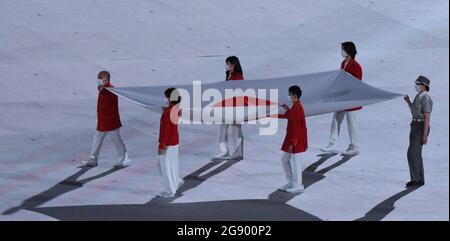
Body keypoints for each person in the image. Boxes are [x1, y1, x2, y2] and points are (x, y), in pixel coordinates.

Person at [81, 71, 132, 168]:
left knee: (117, 141)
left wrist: (102, 89)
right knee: (96, 140)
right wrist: (101, 88)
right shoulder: (103, 89)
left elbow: (109, 103)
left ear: (106, 79)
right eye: (98, 77)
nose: (99, 79)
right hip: (102, 122)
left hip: (110, 123)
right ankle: (93, 159)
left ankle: (124, 159)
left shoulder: (111, 90)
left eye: (101, 78)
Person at [321, 41, 363, 156]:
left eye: (343, 49)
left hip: (352, 101)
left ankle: (355, 146)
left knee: (352, 124)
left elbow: (357, 84)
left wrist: (345, 77)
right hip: (342, 99)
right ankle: (333, 144)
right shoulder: (343, 63)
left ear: (348, 51)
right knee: (335, 120)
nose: (342, 51)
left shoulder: (356, 66)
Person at [403, 76, 433, 187]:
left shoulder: (426, 98)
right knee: (416, 154)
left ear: (424, 85)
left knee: (411, 153)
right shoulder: (418, 96)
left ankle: (416, 179)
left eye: (418, 83)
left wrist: (425, 135)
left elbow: (427, 117)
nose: (416, 85)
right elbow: (414, 110)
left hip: (420, 126)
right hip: (415, 125)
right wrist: (408, 101)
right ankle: (420, 179)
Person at [278, 85, 308, 194]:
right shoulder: (295, 107)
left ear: (294, 96)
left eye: (290, 94)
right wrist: (287, 109)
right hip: (291, 137)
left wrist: (293, 142)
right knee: (284, 159)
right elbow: (291, 117)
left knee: (296, 163)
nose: (288, 96)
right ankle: (292, 181)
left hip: (296, 140)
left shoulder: (298, 108)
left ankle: (298, 185)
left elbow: (296, 126)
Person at [214, 56, 245, 160]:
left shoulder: (238, 77)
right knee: (222, 130)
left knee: (236, 130)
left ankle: (237, 153)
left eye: (229, 63)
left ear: (234, 65)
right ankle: (223, 151)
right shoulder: (229, 75)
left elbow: (239, 93)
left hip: (235, 107)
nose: (227, 65)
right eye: (227, 63)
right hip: (226, 106)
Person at [158, 87, 184, 197]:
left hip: (168, 142)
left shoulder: (168, 112)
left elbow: (166, 130)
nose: (165, 98)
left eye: (166, 96)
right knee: (172, 164)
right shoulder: (176, 109)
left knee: (164, 167)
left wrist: (162, 145)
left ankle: (169, 190)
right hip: (175, 141)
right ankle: (176, 181)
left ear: (170, 98)